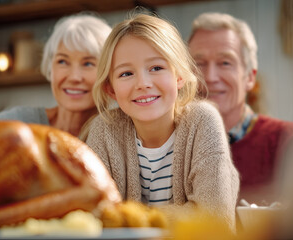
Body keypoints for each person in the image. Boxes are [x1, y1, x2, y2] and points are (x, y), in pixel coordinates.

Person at [85, 13, 239, 231]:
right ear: (111, 89)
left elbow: (214, 219)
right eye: (126, 73)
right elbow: (95, 217)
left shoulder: (203, 121)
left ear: (179, 76)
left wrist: (131, 219)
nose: (143, 83)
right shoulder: (104, 130)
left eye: (156, 68)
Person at [188, 12, 293, 204]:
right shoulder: (169, 146)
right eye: (199, 63)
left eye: (225, 62)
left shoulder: (292, 140)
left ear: (249, 77)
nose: (210, 77)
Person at [0, 13, 112, 138]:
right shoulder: (11, 124)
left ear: (110, 73)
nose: (74, 77)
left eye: (88, 63)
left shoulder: (118, 141)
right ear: (50, 67)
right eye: (62, 61)